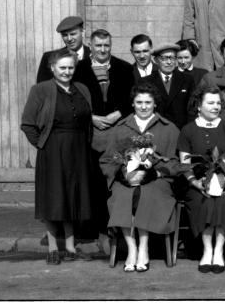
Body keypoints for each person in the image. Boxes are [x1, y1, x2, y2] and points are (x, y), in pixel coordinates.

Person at [21, 49, 94, 265]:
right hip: (52, 151)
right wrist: (43, 144)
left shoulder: (82, 89)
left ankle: (71, 247)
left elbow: (88, 122)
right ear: (52, 68)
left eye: (71, 67)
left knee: (72, 197)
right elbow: (27, 124)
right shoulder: (40, 90)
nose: (67, 71)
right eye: (62, 67)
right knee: (53, 198)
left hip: (78, 150)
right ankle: (53, 247)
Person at [98, 83, 181, 272]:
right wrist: (122, 173)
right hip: (126, 180)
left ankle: (144, 247)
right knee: (123, 195)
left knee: (148, 194)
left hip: (157, 181)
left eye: (148, 102)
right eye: (139, 102)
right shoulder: (121, 128)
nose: (143, 106)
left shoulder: (168, 128)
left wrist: (156, 172)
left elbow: (176, 164)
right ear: (133, 104)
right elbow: (107, 160)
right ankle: (131, 248)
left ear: (155, 104)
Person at [178, 86, 225, 274]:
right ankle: (207, 250)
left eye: (218, 103)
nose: (216, 107)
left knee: (222, 200)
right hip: (196, 183)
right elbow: (185, 163)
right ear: (199, 105)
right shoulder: (188, 130)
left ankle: (219, 251)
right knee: (203, 201)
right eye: (210, 103)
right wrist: (196, 183)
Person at [85, 29, 135, 243]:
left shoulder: (123, 68)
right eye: (98, 46)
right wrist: (91, 117)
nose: (103, 50)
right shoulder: (79, 70)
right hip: (90, 134)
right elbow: (76, 99)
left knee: (114, 180)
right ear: (91, 45)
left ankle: (114, 228)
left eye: (106, 46)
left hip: (116, 133)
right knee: (93, 181)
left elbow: (131, 97)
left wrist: (117, 113)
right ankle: (95, 229)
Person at [139, 43, 194, 130]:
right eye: (164, 58)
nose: (169, 62)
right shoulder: (146, 81)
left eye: (172, 58)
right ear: (156, 60)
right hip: (155, 129)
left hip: (181, 130)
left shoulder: (187, 79)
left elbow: (192, 108)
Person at [36, 16, 91, 83]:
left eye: (73, 34)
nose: (69, 39)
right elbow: (41, 88)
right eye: (65, 35)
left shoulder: (95, 56)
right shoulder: (48, 58)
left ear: (83, 32)